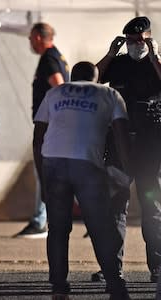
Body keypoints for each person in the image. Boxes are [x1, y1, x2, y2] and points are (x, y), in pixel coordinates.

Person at [34, 61, 131, 300]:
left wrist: (42, 179)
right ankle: (115, 284)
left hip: (53, 160)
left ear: (71, 77)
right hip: (87, 162)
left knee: (57, 228)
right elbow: (121, 135)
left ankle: (59, 287)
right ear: (96, 78)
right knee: (100, 226)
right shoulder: (109, 94)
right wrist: (126, 172)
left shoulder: (54, 92)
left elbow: (38, 137)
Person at [97, 16, 161, 283]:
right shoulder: (120, 63)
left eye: (141, 39)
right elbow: (94, 77)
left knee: (152, 205)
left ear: (149, 37)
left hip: (149, 146)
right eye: (131, 41)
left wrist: (156, 55)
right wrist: (111, 54)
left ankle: (157, 267)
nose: (136, 44)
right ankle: (112, 267)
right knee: (114, 207)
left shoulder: (155, 63)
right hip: (120, 143)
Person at [14, 22, 69, 239]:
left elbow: (59, 87)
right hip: (53, 124)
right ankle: (42, 218)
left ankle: (40, 220)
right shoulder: (57, 56)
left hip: (49, 125)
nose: (29, 41)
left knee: (44, 168)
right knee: (47, 170)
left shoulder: (49, 59)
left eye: (30, 37)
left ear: (38, 37)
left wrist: (55, 120)